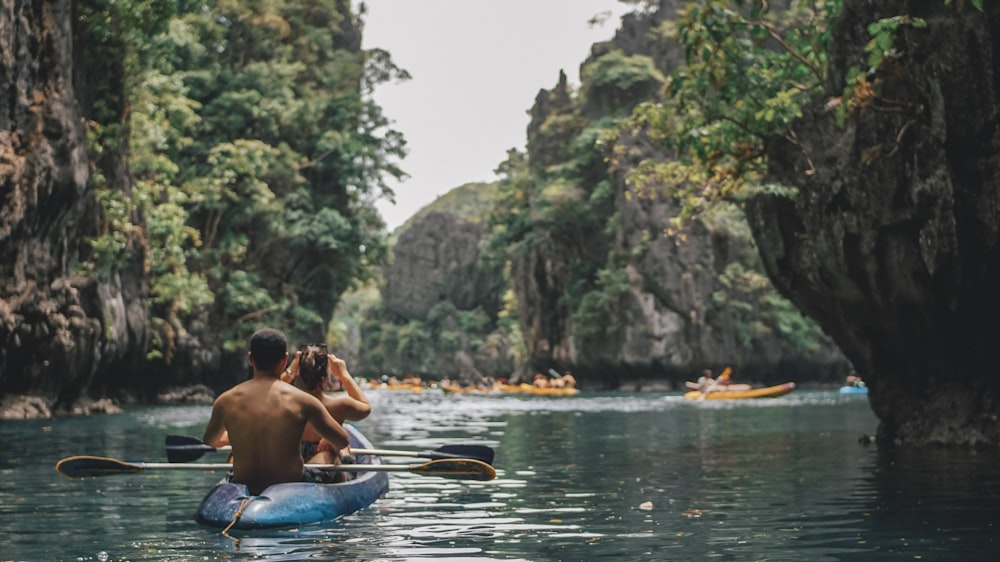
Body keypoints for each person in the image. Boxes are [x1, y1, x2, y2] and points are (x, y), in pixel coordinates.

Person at [202, 328, 350, 495]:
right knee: (330, 455)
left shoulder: (225, 400)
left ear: (251, 358)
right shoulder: (303, 400)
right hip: (292, 483)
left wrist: (234, 436)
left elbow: (210, 441)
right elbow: (342, 441)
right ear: (284, 360)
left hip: (245, 483)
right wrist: (328, 443)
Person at [282, 343, 371, 474]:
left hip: (292, 465)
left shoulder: (284, 403)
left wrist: (290, 372)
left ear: (298, 373)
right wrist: (344, 375)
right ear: (326, 376)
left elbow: (268, 392)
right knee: (335, 451)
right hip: (324, 465)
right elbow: (366, 408)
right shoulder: (340, 405)